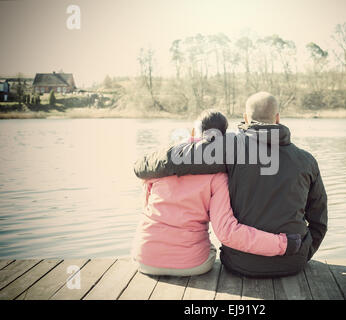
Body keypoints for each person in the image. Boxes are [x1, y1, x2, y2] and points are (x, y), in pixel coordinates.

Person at [134, 92, 328, 277]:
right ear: (277, 118)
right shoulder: (307, 160)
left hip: (240, 263)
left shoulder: (231, 146)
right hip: (294, 260)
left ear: (245, 116)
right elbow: (319, 219)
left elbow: (178, 159)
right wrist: (303, 252)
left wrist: (142, 165)